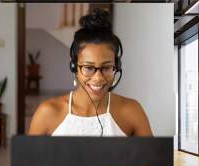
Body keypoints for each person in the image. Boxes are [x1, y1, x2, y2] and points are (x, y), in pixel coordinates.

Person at [28, 8, 152, 137]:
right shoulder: (47, 112)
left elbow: (151, 157)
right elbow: (29, 157)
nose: (98, 78)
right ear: (74, 67)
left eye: (106, 68)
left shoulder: (132, 111)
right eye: (88, 67)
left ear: (116, 67)